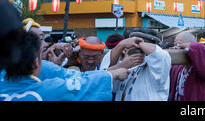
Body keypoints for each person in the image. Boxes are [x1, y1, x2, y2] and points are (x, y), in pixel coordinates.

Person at [0, 30, 130, 101]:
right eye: (86, 56)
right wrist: (114, 72)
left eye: (95, 56)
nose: (90, 61)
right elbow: (83, 82)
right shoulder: (50, 89)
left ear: (102, 54)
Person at [101, 35, 171, 101]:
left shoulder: (156, 69)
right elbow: (102, 76)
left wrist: (138, 43)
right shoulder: (125, 67)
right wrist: (121, 45)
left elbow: (161, 55)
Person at [169, 32, 205, 101]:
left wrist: (181, 46)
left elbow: (198, 47)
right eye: (175, 45)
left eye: (179, 44)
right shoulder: (178, 67)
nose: (175, 47)